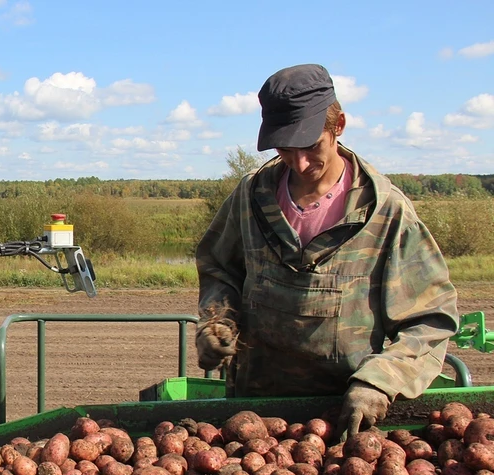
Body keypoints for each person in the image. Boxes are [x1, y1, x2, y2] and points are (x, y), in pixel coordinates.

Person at [194, 63, 459, 438]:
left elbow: (430, 319)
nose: (299, 164)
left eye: (310, 146)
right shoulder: (251, 198)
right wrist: (217, 322)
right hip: (253, 416)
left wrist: (381, 380)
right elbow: (220, 268)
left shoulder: (384, 211)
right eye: (286, 149)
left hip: (345, 417)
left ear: (339, 126)